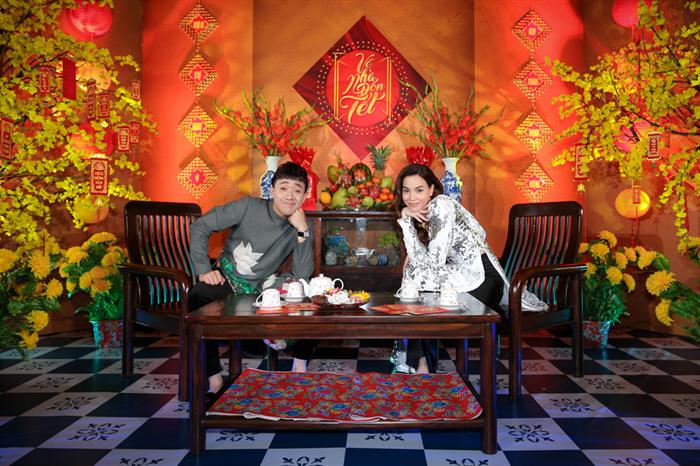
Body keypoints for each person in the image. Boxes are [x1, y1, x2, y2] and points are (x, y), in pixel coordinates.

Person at [392, 163, 545, 374]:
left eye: (419, 190)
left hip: (483, 277)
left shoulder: (441, 205)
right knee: (418, 283)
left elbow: (433, 262)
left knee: (417, 281)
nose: (411, 198)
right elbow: (421, 260)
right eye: (406, 191)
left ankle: (420, 363)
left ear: (431, 189)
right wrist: (406, 219)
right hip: (459, 276)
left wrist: (414, 259)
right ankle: (423, 364)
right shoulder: (421, 214)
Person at [188, 162, 316, 394]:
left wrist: (302, 231)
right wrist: (203, 270)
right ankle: (214, 380)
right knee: (199, 296)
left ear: (304, 195)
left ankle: (299, 368)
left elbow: (303, 274)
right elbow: (200, 226)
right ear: (272, 190)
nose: (289, 196)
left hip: (262, 290)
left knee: (313, 294)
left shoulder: (301, 224)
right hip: (227, 281)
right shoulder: (248, 207)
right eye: (284, 188)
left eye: (297, 190)